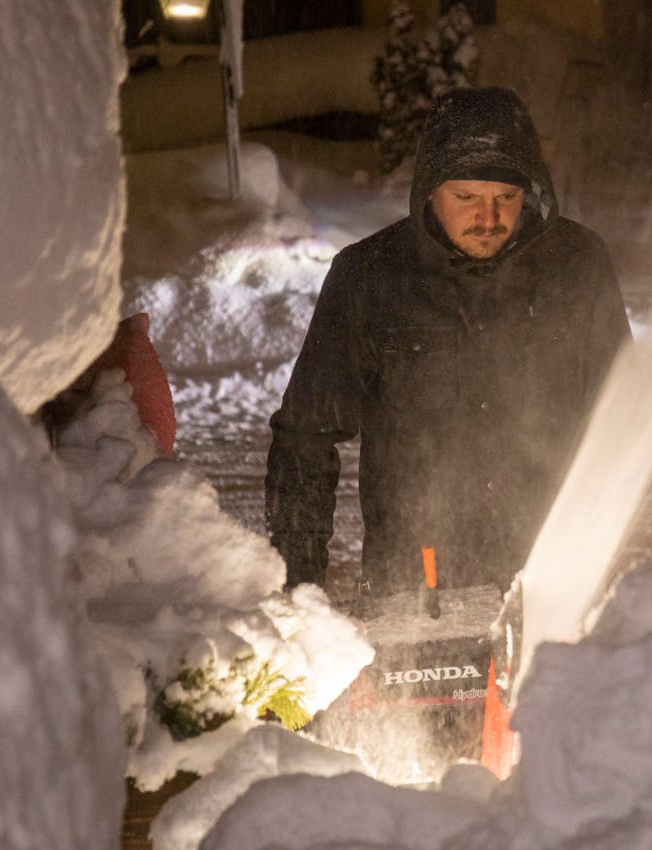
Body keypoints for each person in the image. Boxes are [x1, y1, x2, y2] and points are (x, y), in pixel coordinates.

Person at [265, 86, 631, 603]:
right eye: (467, 199)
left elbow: (624, 422)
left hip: (552, 578)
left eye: (506, 198)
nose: (489, 218)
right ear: (429, 192)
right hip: (415, 585)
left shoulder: (578, 268)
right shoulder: (369, 277)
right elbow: (306, 436)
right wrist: (298, 587)